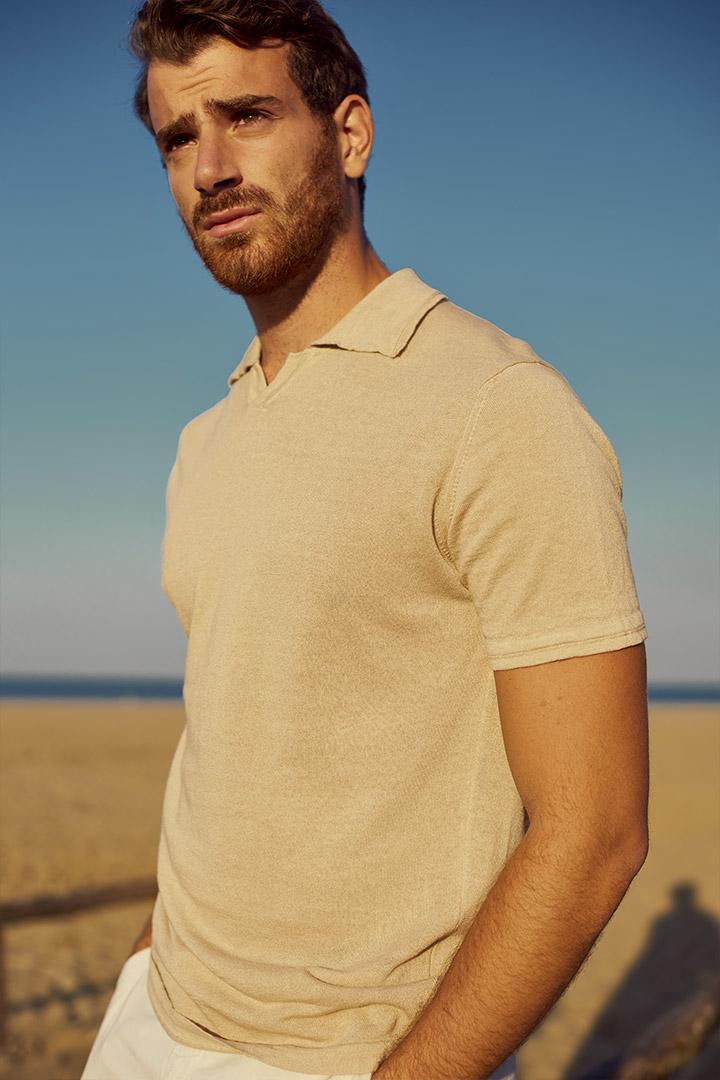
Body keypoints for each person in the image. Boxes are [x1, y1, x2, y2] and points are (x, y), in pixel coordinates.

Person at [82, 2, 650, 1078]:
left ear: (350, 135)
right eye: (177, 138)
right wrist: (148, 969)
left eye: (247, 116)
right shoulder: (208, 434)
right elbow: (237, 731)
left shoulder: (498, 406)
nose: (210, 168)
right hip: (153, 1022)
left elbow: (595, 834)